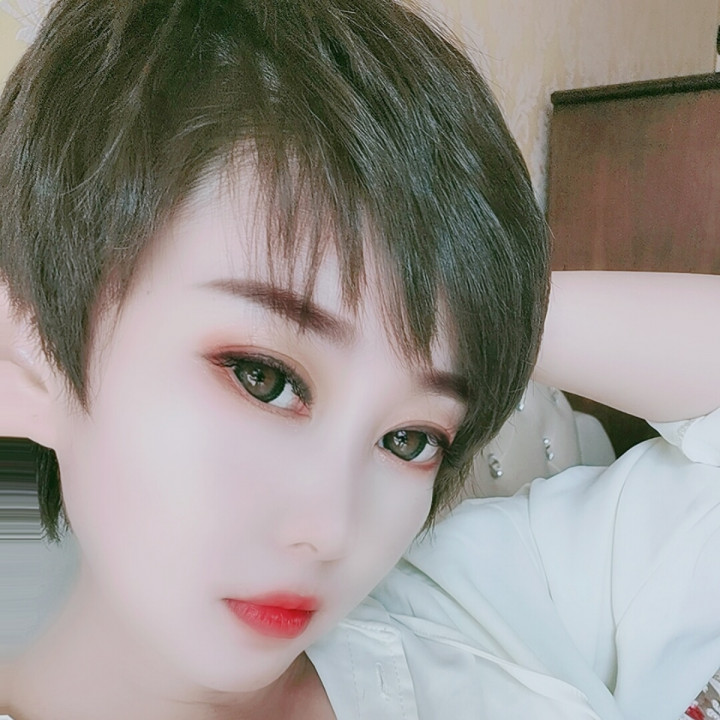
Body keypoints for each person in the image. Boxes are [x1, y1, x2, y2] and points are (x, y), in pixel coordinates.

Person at [0, 2, 718, 720]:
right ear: (26, 355)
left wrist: (482, 315)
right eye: (265, 379)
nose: (332, 532)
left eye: (410, 439)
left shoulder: (486, 609)